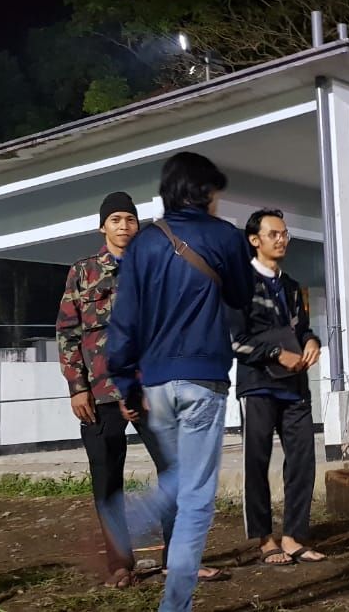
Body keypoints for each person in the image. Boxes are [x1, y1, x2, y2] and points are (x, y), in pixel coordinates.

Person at [107, 152, 253, 612]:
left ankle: (140, 513)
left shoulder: (144, 245)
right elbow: (242, 296)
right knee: (194, 499)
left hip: (155, 383)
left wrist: (126, 384)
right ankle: (173, 598)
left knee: (179, 474)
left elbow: (124, 322)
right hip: (203, 379)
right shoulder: (225, 237)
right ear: (204, 191)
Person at [56, 192, 225, 587]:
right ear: (103, 227)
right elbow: (68, 332)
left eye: (130, 219)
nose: (124, 226)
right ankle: (119, 564)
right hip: (98, 396)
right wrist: (76, 388)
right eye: (115, 219)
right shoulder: (82, 272)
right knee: (107, 479)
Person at [230, 209, 327, 566]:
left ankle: (293, 536)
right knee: (257, 462)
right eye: (274, 234)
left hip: (295, 386)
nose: (282, 239)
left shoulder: (290, 286)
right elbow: (235, 342)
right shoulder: (239, 285)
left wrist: (312, 341)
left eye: (285, 233)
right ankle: (264, 539)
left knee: (303, 460)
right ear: (255, 240)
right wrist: (275, 353)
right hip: (258, 386)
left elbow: (302, 329)